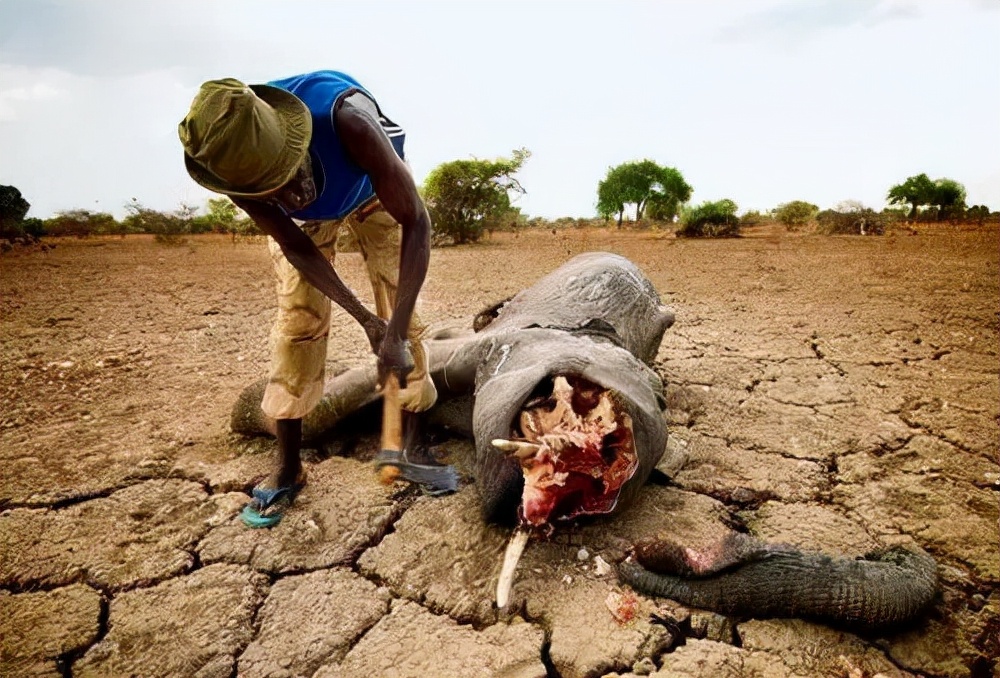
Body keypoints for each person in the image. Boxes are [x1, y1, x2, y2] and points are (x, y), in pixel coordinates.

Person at [179, 71, 437, 527]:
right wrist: (365, 322)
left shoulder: (350, 123)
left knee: (402, 306)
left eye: (284, 176)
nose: (286, 195)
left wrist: (391, 329)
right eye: (268, 190)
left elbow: (417, 221)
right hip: (307, 227)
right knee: (298, 324)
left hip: (372, 193)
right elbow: (298, 249)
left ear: (296, 143)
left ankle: (414, 442)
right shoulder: (228, 165)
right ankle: (289, 466)